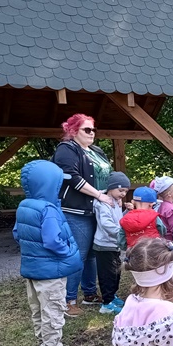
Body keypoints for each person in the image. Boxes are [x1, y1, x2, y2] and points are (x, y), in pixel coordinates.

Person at [13, 160, 82, 346]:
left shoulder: (24, 206)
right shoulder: (48, 209)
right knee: (53, 309)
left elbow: (17, 233)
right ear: (50, 184)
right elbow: (53, 240)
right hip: (51, 272)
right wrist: (67, 251)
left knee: (38, 309)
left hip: (32, 271)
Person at [52, 113, 114, 317]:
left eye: (93, 129)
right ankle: (68, 300)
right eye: (87, 129)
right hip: (76, 210)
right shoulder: (66, 149)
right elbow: (71, 177)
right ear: (73, 130)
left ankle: (89, 293)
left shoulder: (96, 150)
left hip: (97, 209)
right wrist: (99, 195)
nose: (92, 133)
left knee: (92, 254)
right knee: (77, 255)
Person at [93, 171, 130, 315]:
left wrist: (126, 212)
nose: (123, 194)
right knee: (107, 275)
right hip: (104, 246)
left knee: (116, 273)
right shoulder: (103, 204)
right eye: (121, 190)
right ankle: (107, 304)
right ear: (111, 188)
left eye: (125, 191)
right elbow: (106, 224)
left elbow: (119, 221)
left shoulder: (115, 202)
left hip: (114, 244)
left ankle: (112, 296)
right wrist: (121, 234)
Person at [150, 176, 173, 241]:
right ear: (169, 194)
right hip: (172, 241)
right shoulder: (171, 209)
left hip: (164, 240)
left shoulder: (162, 206)